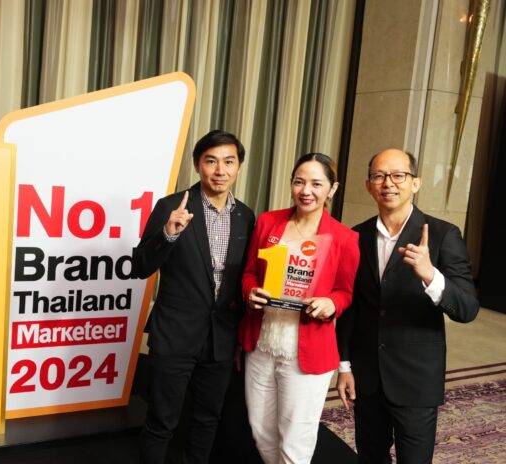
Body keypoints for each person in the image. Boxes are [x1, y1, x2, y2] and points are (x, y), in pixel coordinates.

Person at [336, 148, 480, 463]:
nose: (388, 183)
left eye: (398, 175)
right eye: (379, 176)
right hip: (367, 376)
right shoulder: (356, 236)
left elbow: (468, 308)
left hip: (415, 379)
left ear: (415, 183)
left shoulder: (443, 234)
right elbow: (351, 307)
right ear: (368, 185)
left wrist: (431, 275)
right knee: (370, 456)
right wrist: (344, 365)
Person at [132, 130, 255, 463]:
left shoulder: (245, 216)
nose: (220, 170)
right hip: (175, 335)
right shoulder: (172, 206)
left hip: (220, 340)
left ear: (239, 166)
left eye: (229, 162)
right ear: (198, 164)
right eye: (211, 161)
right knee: (161, 422)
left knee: (206, 420)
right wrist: (167, 234)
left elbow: (243, 278)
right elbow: (140, 266)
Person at [238, 153, 360, 464]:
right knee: (261, 431)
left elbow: (345, 292)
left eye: (316, 184)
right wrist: (251, 292)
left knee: (295, 439)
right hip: (262, 343)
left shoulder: (344, 238)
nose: (306, 191)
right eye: (299, 182)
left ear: (332, 189)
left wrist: (331, 303)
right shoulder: (268, 222)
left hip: (308, 347)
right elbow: (249, 272)